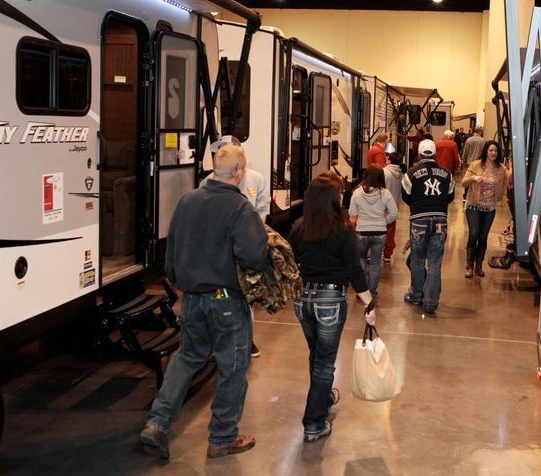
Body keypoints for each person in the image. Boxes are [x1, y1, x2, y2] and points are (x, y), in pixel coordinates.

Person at [140, 144, 270, 461]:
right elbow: (255, 256)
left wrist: (181, 282)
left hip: (192, 300)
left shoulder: (187, 200)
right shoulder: (240, 209)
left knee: (186, 358)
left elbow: (170, 255)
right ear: (239, 173)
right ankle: (223, 437)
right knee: (233, 367)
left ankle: (157, 423)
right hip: (225, 301)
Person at [288, 177, 376, 443]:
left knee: (317, 354)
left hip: (302, 300)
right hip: (330, 301)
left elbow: (289, 263)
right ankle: (314, 422)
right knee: (325, 362)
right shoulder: (343, 229)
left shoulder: (299, 228)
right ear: (334, 200)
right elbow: (354, 270)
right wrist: (369, 303)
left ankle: (324, 397)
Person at [202, 135, 269, 358]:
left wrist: (255, 236)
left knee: (245, 295)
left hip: (244, 246)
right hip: (217, 249)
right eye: (219, 150)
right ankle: (217, 339)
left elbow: (262, 208)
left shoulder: (257, 179)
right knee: (217, 294)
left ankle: (247, 339)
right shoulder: (206, 182)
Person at [400, 139, 455, 315]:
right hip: (440, 220)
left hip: (419, 221)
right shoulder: (446, 174)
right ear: (435, 154)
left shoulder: (411, 173)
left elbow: (406, 196)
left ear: (419, 153)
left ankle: (416, 294)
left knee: (417, 259)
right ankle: (431, 302)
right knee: (434, 262)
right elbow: (450, 196)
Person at [461, 141, 509, 277]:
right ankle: (469, 265)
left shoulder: (501, 169)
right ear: (486, 152)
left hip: (490, 207)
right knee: (474, 233)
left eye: (495, 151)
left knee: (483, 236)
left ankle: (479, 265)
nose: (493, 153)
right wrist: (474, 177)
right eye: (490, 150)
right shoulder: (476, 165)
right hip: (473, 205)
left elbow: (506, 183)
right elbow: (464, 182)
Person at [349, 164, 398, 297]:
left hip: (361, 232)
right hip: (380, 233)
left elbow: (352, 212)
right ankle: (372, 290)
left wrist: (360, 220)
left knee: (361, 260)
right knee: (375, 264)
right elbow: (394, 213)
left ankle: (362, 290)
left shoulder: (357, 193)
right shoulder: (385, 193)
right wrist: (383, 221)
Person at [383, 152, 405, 262]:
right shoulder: (400, 173)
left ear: (389, 160)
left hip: (382, 205)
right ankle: (387, 254)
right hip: (394, 205)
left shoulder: (384, 172)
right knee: (390, 231)